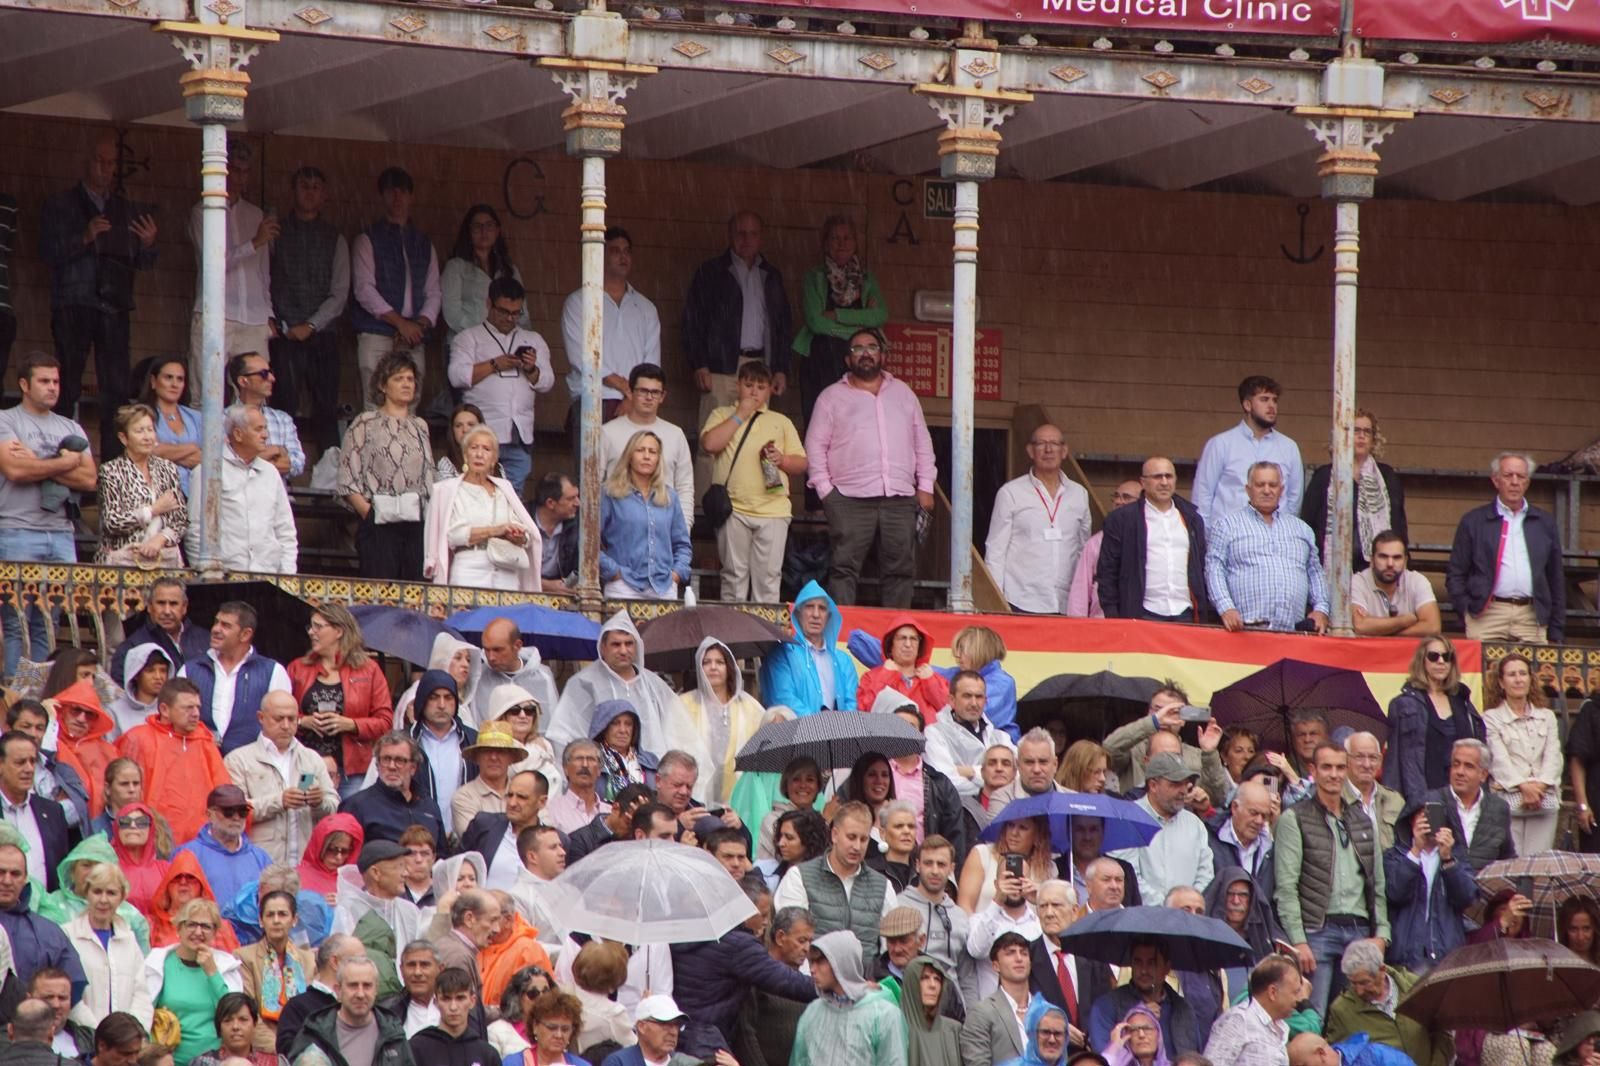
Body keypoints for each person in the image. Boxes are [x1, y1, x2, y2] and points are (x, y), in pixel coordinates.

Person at [40, 131, 158, 458]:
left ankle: (109, 468)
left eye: (111, 164)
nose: (106, 169)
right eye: (100, 161)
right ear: (86, 162)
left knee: (116, 390)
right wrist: (85, 236)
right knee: (66, 386)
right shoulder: (61, 204)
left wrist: (149, 245)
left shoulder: (125, 208)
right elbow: (48, 253)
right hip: (74, 302)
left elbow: (142, 263)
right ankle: (60, 458)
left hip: (114, 306)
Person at [805, 327, 936, 608]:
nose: (865, 353)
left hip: (899, 497)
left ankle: (897, 639)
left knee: (900, 570)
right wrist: (827, 491)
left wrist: (925, 486)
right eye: (858, 349)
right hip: (848, 498)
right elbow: (815, 447)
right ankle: (840, 636)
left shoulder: (903, 394)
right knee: (844, 569)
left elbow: (922, 442)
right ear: (847, 360)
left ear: (882, 355)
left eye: (872, 348)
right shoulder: (830, 397)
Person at [1273, 743, 1389, 1021]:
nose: (1334, 774)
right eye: (1326, 767)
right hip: (1318, 931)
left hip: (1360, 930)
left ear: (1347, 769)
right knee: (1313, 1017)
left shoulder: (1362, 819)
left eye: (1339, 767)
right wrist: (1299, 940)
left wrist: (1383, 933)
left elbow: (1378, 884)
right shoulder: (1295, 818)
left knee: (1357, 1018)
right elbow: (1286, 887)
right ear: (1313, 770)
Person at [0, 352, 97, 674]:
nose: (52, 387)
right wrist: (66, 462)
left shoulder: (71, 426)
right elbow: (15, 470)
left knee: (49, 624)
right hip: (17, 530)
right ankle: (17, 701)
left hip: (61, 533)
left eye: (55, 381)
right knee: (17, 624)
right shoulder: (7, 421)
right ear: (24, 384)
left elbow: (88, 479)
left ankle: (38, 698)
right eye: (44, 381)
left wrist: (37, 462)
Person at [683, 210, 792, 494]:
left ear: (761, 237)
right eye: (741, 233)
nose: (746, 239)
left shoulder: (771, 275)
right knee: (712, 438)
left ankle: (757, 499)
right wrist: (700, 363)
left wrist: (780, 367)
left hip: (760, 368)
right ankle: (706, 505)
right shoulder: (711, 271)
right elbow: (693, 320)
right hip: (720, 367)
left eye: (753, 233)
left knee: (761, 436)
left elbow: (782, 325)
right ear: (730, 235)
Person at [699, 360, 807, 602]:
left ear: (770, 389)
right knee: (733, 577)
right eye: (748, 385)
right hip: (733, 508)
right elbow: (709, 444)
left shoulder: (781, 421)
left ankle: (764, 638)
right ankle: (733, 636)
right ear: (738, 386)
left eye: (760, 386)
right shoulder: (722, 414)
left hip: (773, 510)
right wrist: (740, 414)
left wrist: (782, 460)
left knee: (768, 579)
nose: (754, 392)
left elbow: (801, 463)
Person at [447, 277, 553, 494]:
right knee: (477, 492)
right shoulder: (468, 338)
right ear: (488, 304)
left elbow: (548, 382)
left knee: (513, 497)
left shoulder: (533, 339)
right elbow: (456, 376)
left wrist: (531, 369)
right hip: (482, 433)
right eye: (504, 311)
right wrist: (495, 364)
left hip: (519, 433)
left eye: (516, 313)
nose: (510, 318)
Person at [266, 165, 346, 449]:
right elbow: (265, 277)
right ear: (293, 191)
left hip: (322, 336)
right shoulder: (276, 233)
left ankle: (328, 475)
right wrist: (276, 320)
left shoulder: (335, 237)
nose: (310, 193)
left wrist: (311, 325)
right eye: (304, 186)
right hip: (284, 334)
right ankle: (278, 471)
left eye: (315, 187)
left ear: (324, 195)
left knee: (325, 407)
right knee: (282, 405)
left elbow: (339, 293)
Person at [1446, 451, 1566, 643]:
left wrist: (1557, 626)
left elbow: (1556, 577)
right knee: (1483, 671)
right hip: (1487, 613)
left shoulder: (1544, 522)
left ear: (1527, 482)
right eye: (1508, 475)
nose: (1515, 481)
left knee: (1533, 672)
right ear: (1495, 480)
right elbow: (1456, 573)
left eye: (1521, 476)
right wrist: (1466, 610)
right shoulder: (1473, 521)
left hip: (1531, 615)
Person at [338, 353, 434, 580]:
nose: (406, 384)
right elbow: (347, 478)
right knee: (381, 592)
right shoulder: (365, 422)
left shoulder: (420, 425)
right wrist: (370, 514)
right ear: (383, 385)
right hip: (379, 523)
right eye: (399, 378)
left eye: (410, 379)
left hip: (415, 524)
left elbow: (428, 474)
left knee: (414, 594)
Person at [560, 225, 660, 443]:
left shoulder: (646, 308)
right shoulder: (579, 302)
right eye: (615, 251)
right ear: (601, 256)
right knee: (590, 474)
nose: (623, 257)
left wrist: (632, 395)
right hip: (593, 400)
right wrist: (625, 387)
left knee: (633, 474)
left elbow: (651, 363)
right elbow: (581, 356)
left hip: (636, 403)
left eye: (627, 251)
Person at [285, 604, 394, 800]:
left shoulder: (369, 670)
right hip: (308, 766)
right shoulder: (297, 668)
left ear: (338, 631)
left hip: (352, 770)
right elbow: (281, 715)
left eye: (318, 627)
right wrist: (303, 722)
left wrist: (351, 724)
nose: (312, 632)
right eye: (310, 627)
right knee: (305, 810)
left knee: (349, 819)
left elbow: (385, 721)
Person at [351, 166, 439, 409]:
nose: (397, 197)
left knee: (410, 404)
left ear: (411, 197)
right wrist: (401, 323)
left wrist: (418, 325)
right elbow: (364, 289)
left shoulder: (423, 243)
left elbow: (434, 292)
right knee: (375, 403)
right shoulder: (368, 238)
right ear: (383, 196)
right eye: (391, 191)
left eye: (402, 192)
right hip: (377, 332)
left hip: (413, 337)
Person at [1205, 461, 1329, 634]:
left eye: (1273, 485)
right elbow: (1214, 569)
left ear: (1281, 489)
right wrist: (1226, 608)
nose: (1266, 490)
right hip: (1245, 631)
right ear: (1248, 490)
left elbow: (1314, 572)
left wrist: (1321, 609)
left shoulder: (1302, 529)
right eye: (1260, 485)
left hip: (1293, 632)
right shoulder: (1226, 526)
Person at [184, 137, 271, 381]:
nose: (241, 178)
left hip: (254, 316)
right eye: (235, 170)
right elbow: (214, 264)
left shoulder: (255, 214)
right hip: (215, 312)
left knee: (252, 392)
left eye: (246, 172)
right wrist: (253, 243)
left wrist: (269, 313)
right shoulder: (202, 211)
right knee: (206, 390)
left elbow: (263, 272)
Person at [984, 424, 1092, 615]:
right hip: (1021, 600)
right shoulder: (1010, 493)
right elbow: (996, 550)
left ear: (1064, 450)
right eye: (1041, 443)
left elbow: (1084, 550)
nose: (1048, 450)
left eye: (1054, 444)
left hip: (1068, 603)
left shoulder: (1079, 494)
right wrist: (996, 600)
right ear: (1030, 451)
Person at [548, 611, 684, 760]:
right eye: (616, 644)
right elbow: (564, 734)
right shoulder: (583, 683)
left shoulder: (654, 684)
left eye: (628, 644)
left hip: (650, 772)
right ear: (603, 648)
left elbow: (678, 731)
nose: (623, 650)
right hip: (599, 773)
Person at [225, 690, 340, 867]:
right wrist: (279, 801)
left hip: (305, 863)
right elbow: (232, 812)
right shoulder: (238, 759)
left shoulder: (311, 758)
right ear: (261, 717)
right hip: (257, 863)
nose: (286, 725)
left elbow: (333, 806)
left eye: (292, 719)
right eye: (279, 719)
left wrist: (319, 802)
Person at [425, 425, 542, 591]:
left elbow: (527, 534)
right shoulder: (449, 490)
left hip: (506, 572)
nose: (479, 454)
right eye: (474, 448)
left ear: (494, 459)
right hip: (469, 570)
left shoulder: (505, 489)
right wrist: (497, 530)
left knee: (505, 617)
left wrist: (519, 536)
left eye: (486, 449)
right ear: (465, 455)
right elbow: (453, 536)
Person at [773, 803, 897, 959]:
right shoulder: (798, 877)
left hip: (866, 980)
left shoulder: (883, 886)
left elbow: (891, 947)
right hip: (811, 979)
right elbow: (790, 942)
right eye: (851, 837)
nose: (857, 846)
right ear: (834, 835)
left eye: (864, 839)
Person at [184, 404, 298, 574]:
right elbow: (195, 530)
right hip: (224, 575)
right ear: (238, 434)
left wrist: (288, 574)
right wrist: (207, 575)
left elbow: (285, 530)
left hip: (269, 574)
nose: (265, 435)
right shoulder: (208, 472)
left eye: (265, 428)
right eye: (259, 429)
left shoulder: (270, 473)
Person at [1098, 457, 1208, 622]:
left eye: (1168, 476)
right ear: (1143, 482)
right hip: (1142, 613)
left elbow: (1202, 567)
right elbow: (1107, 572)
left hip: (1185, 612)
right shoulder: (1122, 520)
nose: (1164, 482)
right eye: (1157, 477)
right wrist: (1113, 615)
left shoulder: (1192, 519)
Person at [1300, 410, 1408, 575]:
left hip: (1376, 569)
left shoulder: (1387, 477)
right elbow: (1308, 524)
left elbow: (1398, 525)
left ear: (1373, 440)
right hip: (1331, 567)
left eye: (1367, 431)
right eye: (1355, 430)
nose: (1361, 436)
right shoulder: (1324, 476)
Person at [180, 600, 294, 756]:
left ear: (245, 634)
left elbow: (281, 724)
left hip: (252, 768)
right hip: (198, 761)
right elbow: (176, 719)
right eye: (216, 622)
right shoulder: (189, 669)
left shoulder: (273, 671)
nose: (215, 629)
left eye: (226, 626)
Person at [1382, 636, 1485, 806]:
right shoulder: (1403, 705)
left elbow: (1479, 751)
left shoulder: (1463, 702)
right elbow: (1395, 763)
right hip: (1422, 795)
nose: (1441, 661)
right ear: (1422, 660)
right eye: (1433, 656)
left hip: (1462, 797)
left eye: (1447, 656)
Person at [1193, 376, 1303, 526]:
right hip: (1228, 538)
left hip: (1274, 539)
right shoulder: (1220, 444)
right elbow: (1202, 496)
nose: (1271, 406)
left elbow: (1294, 500)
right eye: (1264, 399)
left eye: (1274, 400)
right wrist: (1204, 539)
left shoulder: (1289, 447)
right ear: (1247, 405)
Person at [597, 364, 695, 533]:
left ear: (663, 396)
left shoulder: (676, 434)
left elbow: (685, 486)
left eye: (655, 392)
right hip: (619, 531)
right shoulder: (607, 432)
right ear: (630, 392)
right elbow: (595, 483)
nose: (649, 397)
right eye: (643, 391)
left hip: (664, 530)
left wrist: (683, 529)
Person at [665, 638, 763, 806]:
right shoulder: (683, 704)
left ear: (729, 667)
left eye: (719, 662)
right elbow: (671, 745)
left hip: (740, 801)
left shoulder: (750, 707)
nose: (713, 667)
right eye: (707, 662)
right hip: (693, 797)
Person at [149, 897, 245, 1065]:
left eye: (206, 926)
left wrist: (212, 972)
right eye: (191, 924)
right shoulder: (159, 963)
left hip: (215, 1061)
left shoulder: (226, 966)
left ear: (215, 932)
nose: (198, 932)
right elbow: (143, 1013)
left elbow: (233, 1013)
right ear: (179, 928)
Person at [1484, 652, 1563, 855]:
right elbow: (1498, 759)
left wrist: (1541, 786)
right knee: (1512, 863)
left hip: (1543, 798)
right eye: (1512, 675)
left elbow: (1554, 755)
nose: (1518, 679)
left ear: (1530, 678)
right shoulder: (1491, 718)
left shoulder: (1547, 717)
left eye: (1523, 673)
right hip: (1509, 800)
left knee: (1539, 864)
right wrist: (1522, 786)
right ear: (1501, 682)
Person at [600, 429, 692, 600]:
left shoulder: (670, 497)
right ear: (629, 456)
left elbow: (682, 545)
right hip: (624, 585)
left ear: (658, 458)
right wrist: (613, 571)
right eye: (640, 450)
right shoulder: (610, 493)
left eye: (652, 452)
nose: (647, 456)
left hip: (664, 586)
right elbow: (588, 541)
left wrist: (677, 574)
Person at [791, 930, 905, 1066]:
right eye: (811, 962)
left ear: (841, 962)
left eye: (820, 961)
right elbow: (799, 1061)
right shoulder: (812, 1012)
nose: (812, 969)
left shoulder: (883, 1014)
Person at [1112, 753, 1215, 904]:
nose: (1183, 790)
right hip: (1143, 918)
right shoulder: (1128, 818)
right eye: (1175, 784)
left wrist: (1188, 904)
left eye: (1185, 783)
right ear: (1153, 785)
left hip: (1188, 918)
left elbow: (1206, 874)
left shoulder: (1195, 825)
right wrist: (1168, 907)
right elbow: (1127, 874)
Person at [1383, 801, 1473, 974]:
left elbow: (1466, 898)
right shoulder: (1394, 856)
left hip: (1446, 954)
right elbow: (1395, 894)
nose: (1429, 821)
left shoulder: (1458, 857)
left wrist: (1448, 860)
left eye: (1434, 815)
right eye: (1422, 815)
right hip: (1405, 954)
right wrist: (1415, 851)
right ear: (1411, 821)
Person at [1323, 940, 1446, 1066]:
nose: (1359, 991)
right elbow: (1338, 1059)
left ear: (1382, 969)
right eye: (1353, 984)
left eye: (1364, 982)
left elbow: (1443, 1034)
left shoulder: (1416, 986)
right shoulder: (1342, 1010)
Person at [94, 404, 187, 567]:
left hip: (162, 560)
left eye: (150, 430)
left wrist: (160, 539)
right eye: (139, 431)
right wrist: (152, 511)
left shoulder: (167, 468)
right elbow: (112, 522)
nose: (147, 437)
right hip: (124, 561)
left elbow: (180, 520)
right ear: (124, 438)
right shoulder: (111, 471)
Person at [63, 863, 152, 1030]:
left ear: (121, 897)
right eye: (97, 891)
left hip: (126, 1041)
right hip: (83, 1036)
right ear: (86, 893)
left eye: (111, 893)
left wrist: (131, 1032)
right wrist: (98, 1033)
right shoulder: (68, 935)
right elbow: (70, 995)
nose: (103, 900)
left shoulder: (129, 939)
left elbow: (141, 993)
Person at [1103, 687, 1230, 803]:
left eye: (1172, 711)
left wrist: (1209, 753)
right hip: (1136, 822)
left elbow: (1220, 797)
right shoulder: (1133, 749)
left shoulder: (1197, 756)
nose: (1163, 717)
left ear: (1183, 720)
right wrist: (1153, 722)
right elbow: (1108, 749)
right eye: (1158, 710)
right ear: (1148, 713)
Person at [288, 956, 414, 1066]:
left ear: (376, 990)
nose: (360, 994)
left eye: (367, 985)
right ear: (338, 990)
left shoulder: (393, 1033)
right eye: (353, 985)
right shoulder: (315, 1033)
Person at [1029, 880, 1111, 1044]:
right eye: (1043, 906)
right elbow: (1020, 1009)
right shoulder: (1027, 957)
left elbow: (1105, 1005)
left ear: (1074, 911)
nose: (1049, 913)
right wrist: (1057, 1026)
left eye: (1056, 905)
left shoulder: (1093, 955)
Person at [1085, 942, 1197, 1061]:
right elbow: (1102, 1061)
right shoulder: (1105, 1006)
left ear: (1167, 968)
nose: (1144, 970)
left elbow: (1195, 1059)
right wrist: (1137, 1019)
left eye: (1152, 963)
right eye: (1138, 962)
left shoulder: (1183, 1009)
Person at [759, 580, 859, 714]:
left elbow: (853, 703)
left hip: (840, 733)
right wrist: (818, 726)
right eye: (809, 607)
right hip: (794, 732)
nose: (816, 614)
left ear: (829, 617)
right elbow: (783, 699)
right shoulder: (782, 654)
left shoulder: (843, 660)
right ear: (798, 614)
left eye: (822, 608)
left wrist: (839, 729)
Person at [236, 889, 315, 1052]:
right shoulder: (244, 957)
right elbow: (247, 1012)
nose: (276, 920)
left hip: (303, 1046)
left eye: (283, 914)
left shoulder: (309, 960)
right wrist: (282, 1048)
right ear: (261, 920)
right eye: (270, 915)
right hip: (263, 1048)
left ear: (294, 920)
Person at [174, 783, 274, 908]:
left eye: (243, 811)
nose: (236, 817)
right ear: (210, 814)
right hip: (204, 927)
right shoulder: (187, 854)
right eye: (229, 811)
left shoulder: (260, 858)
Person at [338, 733, 445, 848]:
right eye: (386, 759)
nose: (392, 766)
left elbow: (442, 856)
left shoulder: (429, 806)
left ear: (413, 768)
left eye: (400, 760)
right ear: (377, 765)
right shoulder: (356, 806)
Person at [442, 204, 526, 344]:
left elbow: (523, 313)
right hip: (467, 344)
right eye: (477, 226)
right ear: (468, 231)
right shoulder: (455, 267)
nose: (484, 231)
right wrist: (483, 336)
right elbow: (452, 314)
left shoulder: (510, 270)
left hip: (504, 345)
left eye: (489, 225)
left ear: (497, 230)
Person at [926, 670, 1015, 801]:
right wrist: (993, 784)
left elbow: (1020, 776)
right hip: (957, 814)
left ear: (985, 700)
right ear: (952, 700)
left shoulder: (1000, 737)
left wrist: (971, 772)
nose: (974, 703)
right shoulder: (934, 734)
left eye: (979, 697)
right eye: (967, 696)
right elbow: (946, 782)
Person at [0, 731, 71, 891]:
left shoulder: (53, 812)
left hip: (44, 911)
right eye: (20, 762)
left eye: (32, 761)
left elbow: (60, 870)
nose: (29, 769)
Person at [273, 934, 366, 1055]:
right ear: (335, 962)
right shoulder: (298, 1007)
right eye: (358, 961)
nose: (365, 967)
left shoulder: (365, 1005)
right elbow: (288, 1051)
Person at [109, 576, 210, 686]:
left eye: (173, 604)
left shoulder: (206, 640)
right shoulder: (132, 648)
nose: (167, 611)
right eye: (161, 603)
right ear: (149, 606)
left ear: (184, 607)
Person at [1200, 956, 1299, 1066]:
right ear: (1272, 992)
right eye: (1295, 993)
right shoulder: (1238, 1020)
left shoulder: (1282, 1028)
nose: (1298, 1000)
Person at [857, 617, 950, 725]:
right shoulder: (871, 677)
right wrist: (885, 676)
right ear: (890, 645)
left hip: (928, 741)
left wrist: (931, 683)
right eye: (902, 638)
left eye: (913, 639)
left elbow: (950, 714)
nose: (908, 644)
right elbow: (865, 710)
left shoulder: (934, 678)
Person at [473, 620, 560, 734]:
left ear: (517, 645)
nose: (491, 657)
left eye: (497, 650)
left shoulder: (543, 677)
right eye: (486, 650)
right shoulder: (478, 677)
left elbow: (554, 727)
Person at [227, 352, 304, 479]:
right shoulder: (221, 419)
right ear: (243, 381)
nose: (272, 378)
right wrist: (276, 451)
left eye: (270, 372)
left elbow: (298, 463)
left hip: (276, 496)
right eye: (263, 374)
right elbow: (223, 464)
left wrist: (249, 460)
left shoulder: (283, 419)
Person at [961, 931, 1033, 1066]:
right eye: (1010, 953)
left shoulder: (1047, 1010)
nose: (1019, 958)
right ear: (995, 965)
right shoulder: (981, 1013)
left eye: (1024, 953)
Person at [1348, 533, 1438, 638]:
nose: (1390, 563)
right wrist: (1404, 621)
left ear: (1405, 561)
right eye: (1383, 557)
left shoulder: (1417, 581)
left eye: (1397, 557)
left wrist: (1380, 631)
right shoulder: (1358, 581)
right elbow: (1360, 625)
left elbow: (1433, 627)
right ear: (1372, 560)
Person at [407, 966, 498, 1066]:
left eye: (460, 998)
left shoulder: (487, 1054)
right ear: (436, 1002)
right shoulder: (416, 1048)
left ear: (472, 1001)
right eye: (446, 999)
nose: (453, 1007)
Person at [1205, 780, 1277, 905]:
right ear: (1234, 807)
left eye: (1264, 816)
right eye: (1253, 813)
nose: (1259, 821)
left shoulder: (1270, 847)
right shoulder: (1209, 839)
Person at [142, 356, 203, 496]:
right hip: (156, 493)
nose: (174, 384)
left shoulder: (196, 417)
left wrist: (166, 452)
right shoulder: (141, 415)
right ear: (153, 381)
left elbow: (210, 458)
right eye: (168, 377)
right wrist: (193, 447)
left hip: (196, 493)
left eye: (180, 379)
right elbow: (148, 451)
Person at [1342, 733, 1403, 852]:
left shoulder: (1395, 800)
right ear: (1346, 760)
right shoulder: (1336, 799)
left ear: (1380, 760)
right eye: (1359, 757)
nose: (1367, 764)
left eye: (1373, 758)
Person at [191, 992, 290, 1066]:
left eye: (243, 1020)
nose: (235, 1027)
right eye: (228, 1020)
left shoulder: (276, 1063)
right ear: (219, 1027)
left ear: (254, 1024)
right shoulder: (202, 1063)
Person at [111, 800, 168, 913]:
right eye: (125, 822)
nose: (133, 826)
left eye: (141, 822)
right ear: (117, 829)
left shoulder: (166, 869)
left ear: (150, 829)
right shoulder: (107, 869)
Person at [108, 644, 172, 740]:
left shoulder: (172, 710)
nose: (158, 677)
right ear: (136, 674)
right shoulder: (115, 711)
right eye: (150, 671)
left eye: (163, 671)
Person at [514, 988, 590, 1066]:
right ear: (535, 1026)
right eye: (552, 1028)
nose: (559, 1035)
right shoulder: (515, 1062)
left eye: (565, 1029)